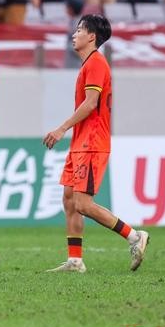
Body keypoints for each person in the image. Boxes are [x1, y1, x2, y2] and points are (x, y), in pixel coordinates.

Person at [43, 14, 149, 273]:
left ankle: (134, 236)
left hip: (92, 142)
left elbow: (91, 104)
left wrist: (61, 128)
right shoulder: (89, 64)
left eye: (79, 30)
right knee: (69, 200)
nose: (74, 34)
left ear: (92, 36)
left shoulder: (96, 64)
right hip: (81, 142)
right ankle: (75, 260)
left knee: (83, 204)